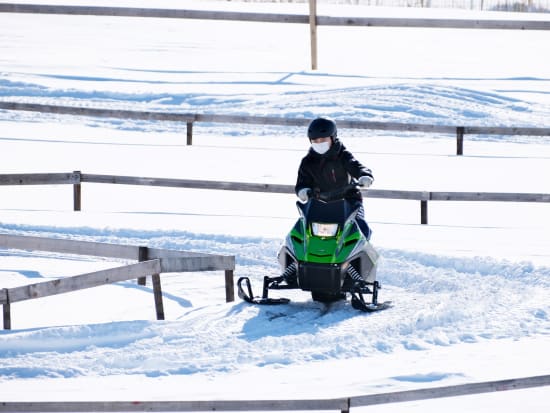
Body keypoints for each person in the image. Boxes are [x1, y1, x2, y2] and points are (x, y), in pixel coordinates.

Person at [295, 117, 374, 240]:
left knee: (359, 228)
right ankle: (300, 254)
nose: (319, 143)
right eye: (315, 140)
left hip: (348, 200)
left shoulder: (343, 155)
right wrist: (303, 191)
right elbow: (302, 182)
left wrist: (364, 175)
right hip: (320, 203)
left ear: (333, 137)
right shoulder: (307, 162)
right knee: (304, 229)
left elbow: (355, 165)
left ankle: (362, 252)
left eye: (323, 139)